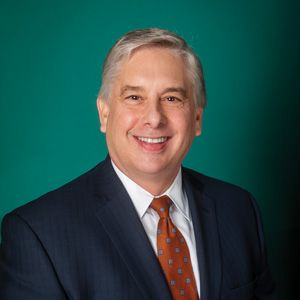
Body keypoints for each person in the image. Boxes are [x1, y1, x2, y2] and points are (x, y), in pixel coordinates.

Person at [0, 28, 278, 299]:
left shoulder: (240, 210)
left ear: (196, 118)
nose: (154, 118)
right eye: (134, 97)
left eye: (171, 98)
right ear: (105, 113)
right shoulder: (37, 234)